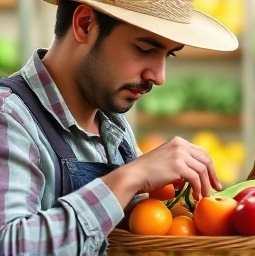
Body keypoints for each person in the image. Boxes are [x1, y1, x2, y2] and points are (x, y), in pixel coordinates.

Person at [0, 0, 238, 255]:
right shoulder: (9, 116)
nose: (158, 77)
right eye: (144, 49)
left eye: (169, 54)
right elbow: (10, 245)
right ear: (85, 25)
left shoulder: (114, 124)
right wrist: (130, 177)